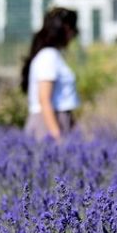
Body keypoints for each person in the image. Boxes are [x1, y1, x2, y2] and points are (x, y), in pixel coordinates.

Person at [20, 7, 80, 141]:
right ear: (65, 29)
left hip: (56, 120)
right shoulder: (48, 57)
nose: (74, 35)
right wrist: (57, 136)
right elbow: (44, 99)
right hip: (47, 124)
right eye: (73, 29)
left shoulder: (53, 56)